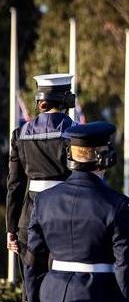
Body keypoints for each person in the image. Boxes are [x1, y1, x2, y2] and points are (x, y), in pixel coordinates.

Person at [24, 121, 129, 302]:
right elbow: (125, 264)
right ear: (103, 158)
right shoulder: (117, 205)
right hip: (94, 301)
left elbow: (33, 257)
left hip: (54, 297)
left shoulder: (45, 200)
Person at [7, 74, 75, 272]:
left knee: (31, 288)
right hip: (67, 214)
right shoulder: (77, 133)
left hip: (29, 217)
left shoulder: (19, 135)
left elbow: (15, 184)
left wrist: (11, 228)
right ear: (66, 99)